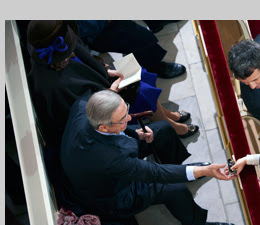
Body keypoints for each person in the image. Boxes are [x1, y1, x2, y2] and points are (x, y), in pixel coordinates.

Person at [61, 90, 237, 225]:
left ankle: (178, 169)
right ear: (105, 127)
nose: (129, 118)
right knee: (175, 190)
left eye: (126, 110)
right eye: (123, 119)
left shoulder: (83, 105)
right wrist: (205, 171)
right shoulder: (111, 158)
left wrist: (134, 133)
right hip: (112, 193)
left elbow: (115, 135)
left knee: (163, 129)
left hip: (105, 160)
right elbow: (154, 173)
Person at [26, 20, 197, 146]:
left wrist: (106, 70)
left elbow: (84, 62)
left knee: (139, 75)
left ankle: (167, 115)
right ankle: (172, 125)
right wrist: (111, 92)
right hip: (101, 108)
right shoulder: (53, 86)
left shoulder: (56, 40)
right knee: (142, 94)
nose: (72, 54)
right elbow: (86, 116)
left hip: (101, 85)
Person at [76, 20, 186, 79]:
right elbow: (83, 28)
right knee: (137, 36)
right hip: (93, 32)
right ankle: (154, 65)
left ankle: (156, 21)